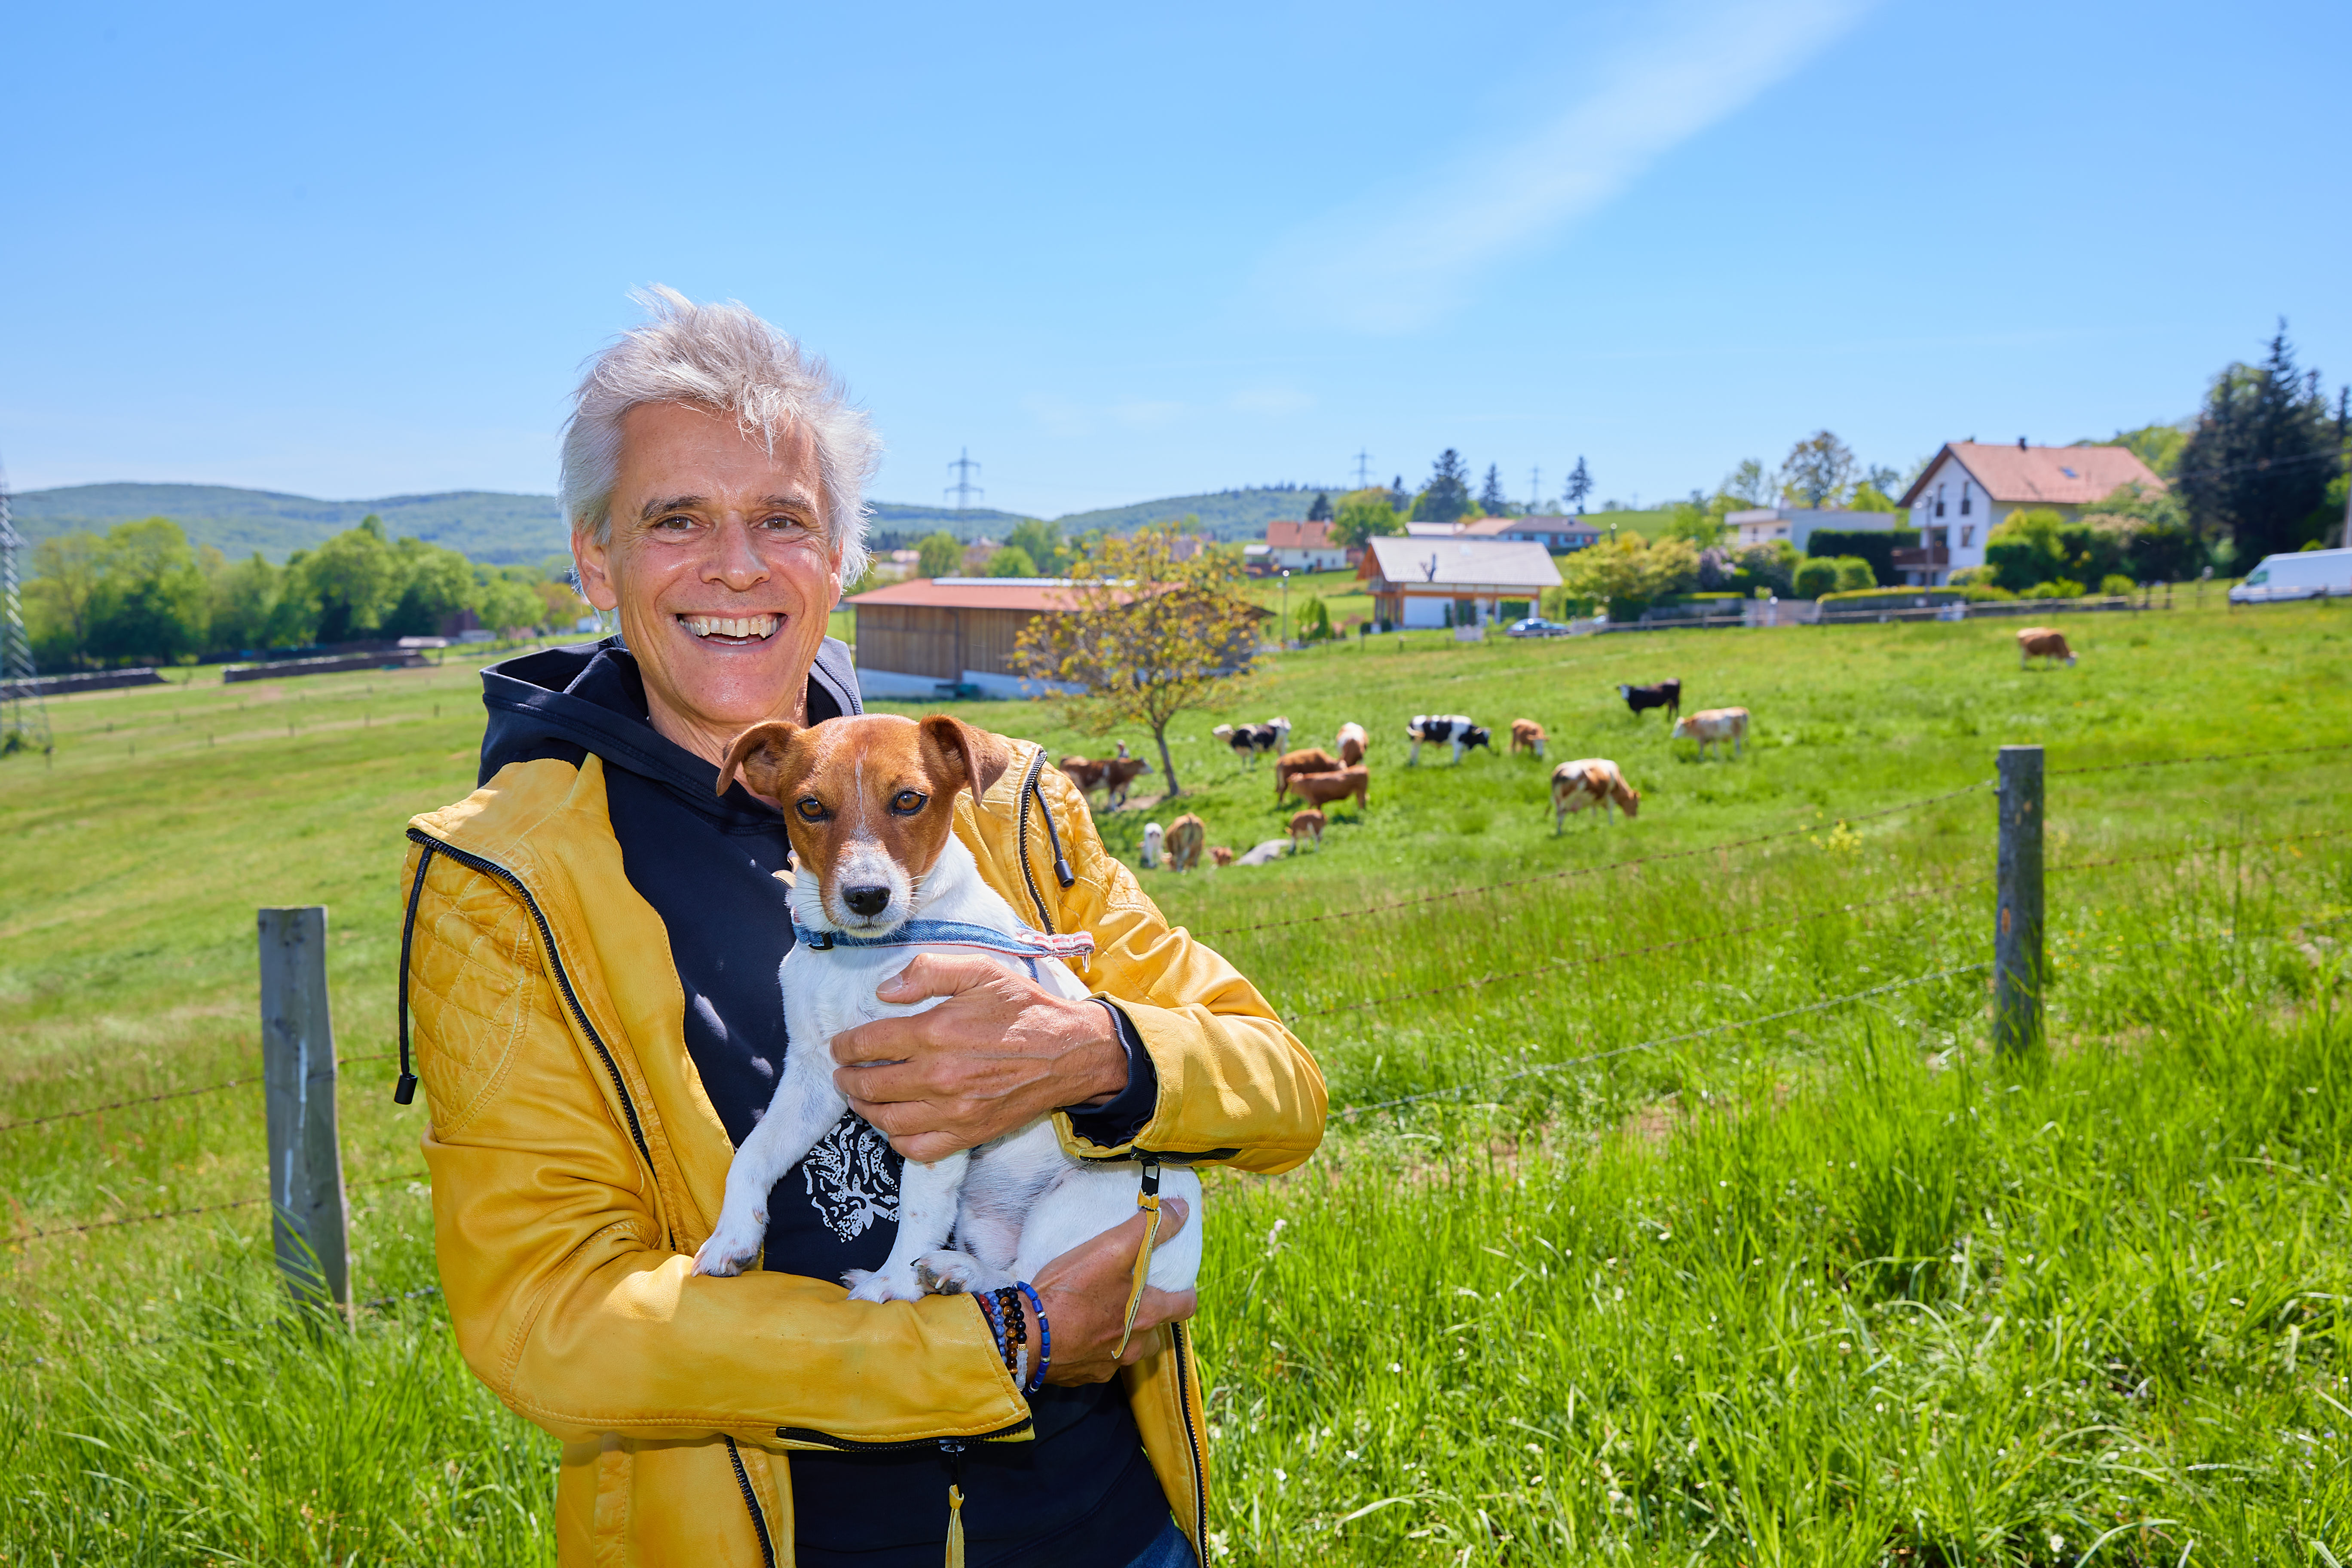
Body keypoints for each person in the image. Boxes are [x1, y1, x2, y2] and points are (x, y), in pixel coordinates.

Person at [398, 288, 1325, 1568]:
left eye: (783, 519)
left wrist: (1099, 1052)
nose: (737, 566)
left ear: (839, 561)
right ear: (595, 559)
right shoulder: (507, 885)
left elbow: (1282, 1090)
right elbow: (546, 1318)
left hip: (1109, 1531)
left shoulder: (994, 800)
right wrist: (996, 1349)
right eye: (678, 520)